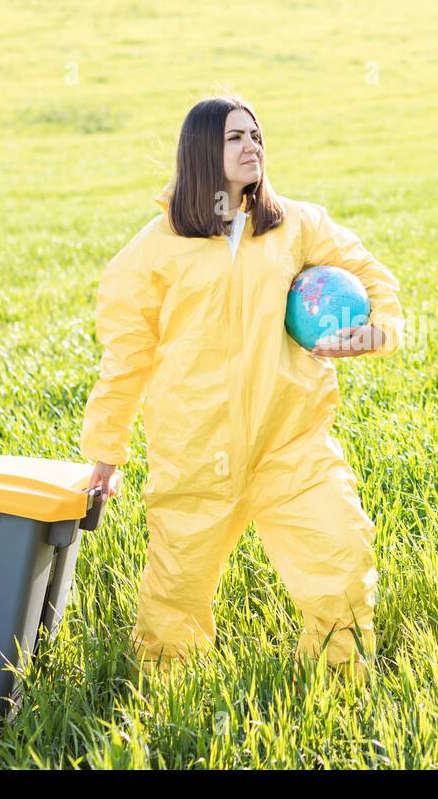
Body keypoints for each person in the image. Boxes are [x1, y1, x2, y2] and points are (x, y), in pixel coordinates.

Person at [79, 95, 405, 683]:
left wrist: (376, 331)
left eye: (256, 135)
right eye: (235, 138)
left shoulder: (298, 226)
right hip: (195, 453)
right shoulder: (153, 250)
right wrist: (106, 449)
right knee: (174, 596)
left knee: (341, 559)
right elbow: (126, 357)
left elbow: (373, 278)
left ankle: (336, 687)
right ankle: (168, 698)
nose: (252, 145)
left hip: (291, 443)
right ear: (203, 150)